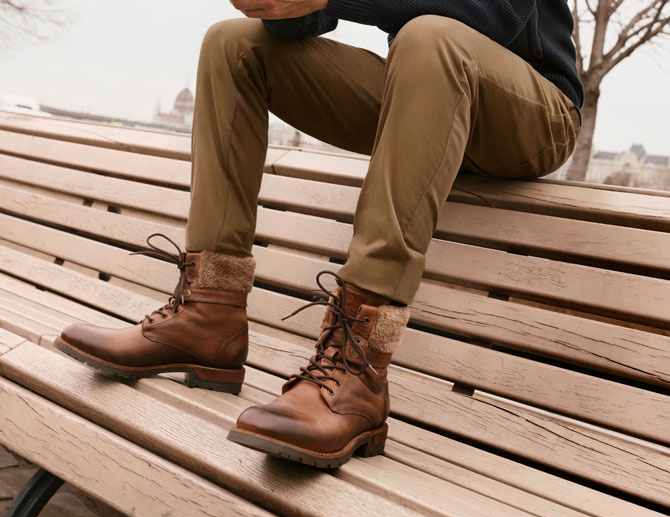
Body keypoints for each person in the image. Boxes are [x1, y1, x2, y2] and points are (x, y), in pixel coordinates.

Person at [55, 0, 583, 468]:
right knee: (233, 43)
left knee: (430, 36)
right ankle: (207, 313)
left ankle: (359, 368)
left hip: (533, 112)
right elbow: (321, 17)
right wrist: (287, 7)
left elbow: (495, 13)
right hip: (423, 90)